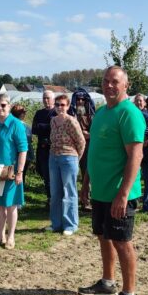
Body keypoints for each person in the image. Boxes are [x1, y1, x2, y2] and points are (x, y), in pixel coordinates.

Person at [78, 66, 145, 295]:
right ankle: (107, 282)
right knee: (103, 236)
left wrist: (123, 194)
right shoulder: (101, 113)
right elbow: (94, 151)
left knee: (121, 241)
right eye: (106, 81)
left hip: (119, 193)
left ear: (125, 85)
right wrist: (86, 183)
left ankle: (128, 293)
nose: (109, 85)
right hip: (101, 190)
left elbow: (136, 156)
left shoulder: (129, 113)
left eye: (114, 81)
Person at [0, 93, 28, 250]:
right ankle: (0, 235)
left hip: (10, 171)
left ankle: (11, 237)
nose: (0, 108)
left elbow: (23, 149)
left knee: (11, 205)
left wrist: (20, 172)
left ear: (9, 106)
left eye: (3, 105)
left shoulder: (16, 125)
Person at [47, 94, 85, 235]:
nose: (59, 107)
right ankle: (56, 223)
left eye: (62, 105)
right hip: (53, 157)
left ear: (68, 106)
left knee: (69, 191)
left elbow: (81, 142)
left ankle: (70, 225)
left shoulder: (71, 121)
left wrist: (76, 158)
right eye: (57, 104)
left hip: (68, 158)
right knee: (55, 192)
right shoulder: (53, 121)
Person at [69, 88, 95, 211]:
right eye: (78, 99)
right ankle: (72, 200)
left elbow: (96, 132)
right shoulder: (71, 114)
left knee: (87, 173)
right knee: (71, 173)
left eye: (82, 99)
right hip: (72, 147)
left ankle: (86, 200)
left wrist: (88, 134)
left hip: (87, 147)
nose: (80, 101)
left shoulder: (91, 115)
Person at [32, 90, 55, 203]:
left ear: (53, 100)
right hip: (42, 148)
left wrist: (42, 126)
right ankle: (50, 198)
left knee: (54, 175)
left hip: (54, 148)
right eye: (44, 98)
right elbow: (34, 129)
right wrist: (48, 126)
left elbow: (56, 128)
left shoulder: (56, 112)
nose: (46, 100)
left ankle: (55, 198)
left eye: (48, 98)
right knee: (44, 172)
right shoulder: (39, 113)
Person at [10, 104, 33, 178]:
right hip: (23, 155)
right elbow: (29, 141)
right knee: (20, 176)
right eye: (23, 112)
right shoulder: (25, 126)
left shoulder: (10, 125)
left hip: (16, 155)